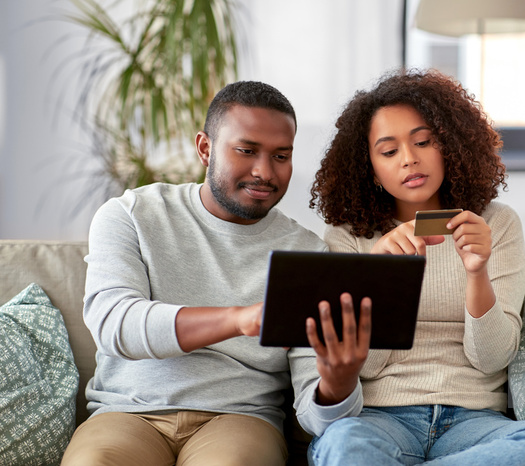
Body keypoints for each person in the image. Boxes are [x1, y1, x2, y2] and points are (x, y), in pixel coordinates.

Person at [61, 81, 370, 466]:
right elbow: (114, 323)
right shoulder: (131, 215)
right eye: (247, 151)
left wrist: (338, 384)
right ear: (205, 148)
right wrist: (239, 319)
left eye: (281, 156)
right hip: (127, 414)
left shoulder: (307, 251)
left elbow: (317, 416)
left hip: (240, 419)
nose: (264, 172)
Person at [307, 69, 525, 465]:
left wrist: (477, 272)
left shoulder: (496, 223)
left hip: (473, 423)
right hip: (380, 419)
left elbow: (491, 359)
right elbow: (363, 366)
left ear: (451, 146)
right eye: (389, 151)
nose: (409, 159)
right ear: (369, 167)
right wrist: (381, 279)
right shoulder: (347, 236)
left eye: (423, 141)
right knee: (343, 444)